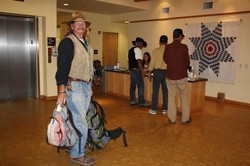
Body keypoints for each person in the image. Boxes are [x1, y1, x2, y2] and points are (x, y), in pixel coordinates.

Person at [55, 11, 96, 165]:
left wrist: (89, 86)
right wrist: (61, 91)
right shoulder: (68, 42)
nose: (80, 26)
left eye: (83, 23)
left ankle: (72, 144)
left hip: (84, 86)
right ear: (72, 26)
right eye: (77, 23)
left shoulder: (85, 43)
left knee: (75, 120)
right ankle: (77, 154)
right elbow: (62, 69)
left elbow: (87, 66)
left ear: (86, 27)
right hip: (75, 86)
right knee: (80, 122)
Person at [163, 28, 192, 124]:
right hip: (181, 77)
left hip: (170, 76)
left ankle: (172, 118)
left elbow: (166, 60)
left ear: (173, 36)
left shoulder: (167, 47)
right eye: (182, 37)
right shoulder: (184, 47)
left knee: (171, 97)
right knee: (184, 98)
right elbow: (187, 62)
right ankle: (185, 118)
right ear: (180, 37)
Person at [148, 35, 168, 115]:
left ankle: (153, 109)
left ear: (159, 42)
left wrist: (149, 72)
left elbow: (152, 63)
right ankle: (165, 109)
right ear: (166, 42)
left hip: (157, 72)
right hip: (166, 72)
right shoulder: (169, 51)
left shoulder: (155, 51)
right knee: (165, 92)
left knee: (155, 91)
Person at [128, 37, 150, 107]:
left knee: (132, 86)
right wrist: (142, 72)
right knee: (141, 85)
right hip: (136, 70)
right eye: (142, 45)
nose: (142, 47)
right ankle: (141, 102)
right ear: (139, 43)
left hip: (131, 70)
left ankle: (133, 101)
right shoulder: (137, 49)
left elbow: (129, 61)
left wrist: (131, 73)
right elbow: (139, 61)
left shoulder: (130, 50)